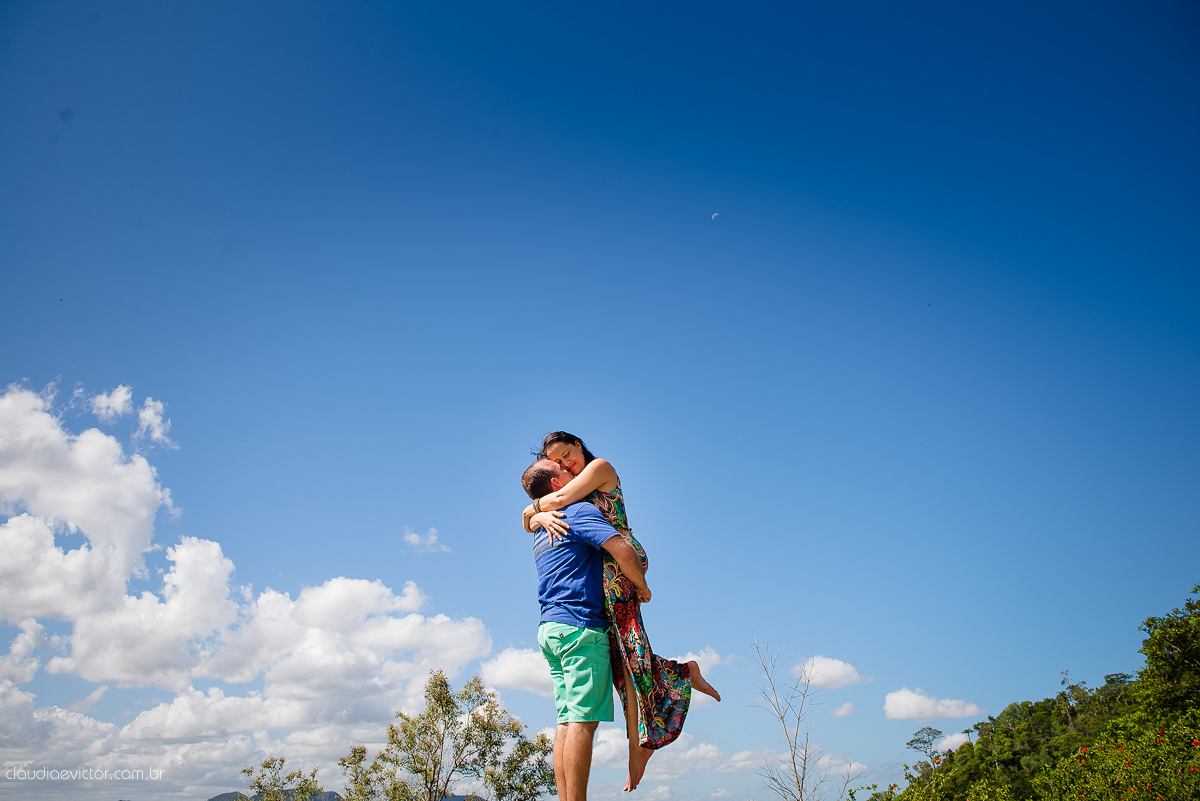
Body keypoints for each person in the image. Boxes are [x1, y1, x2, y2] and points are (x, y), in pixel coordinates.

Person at [523, 432, 720, 791]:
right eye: (560, 463)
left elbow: (560, 496)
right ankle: (659, 714)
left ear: (579, 447)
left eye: (568, 455)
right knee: (627, 664)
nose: (568, 464)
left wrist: (532, 512)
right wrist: (536, 514)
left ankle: (640, 746)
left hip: (617, 569)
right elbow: (554, 499)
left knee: (628, 665)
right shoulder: (569, 504)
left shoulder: (598, 469)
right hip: (602, 578)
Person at [523, 458, 652, 800]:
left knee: (566, 721)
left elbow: (529, 518)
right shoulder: (577, 512)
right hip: (580, 629)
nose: (572, 472)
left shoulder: (541, 528)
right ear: (555, 484)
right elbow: (620, 549)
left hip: (550, 629)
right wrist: (642, 586)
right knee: (583, 723)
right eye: (563, 470)